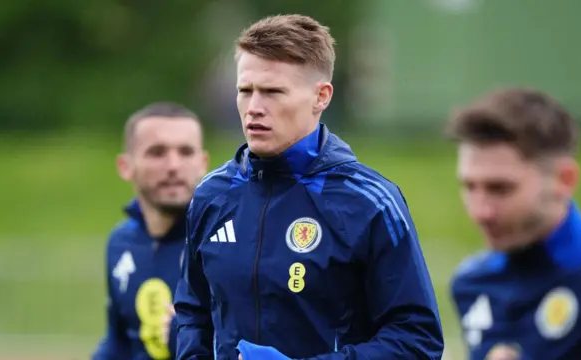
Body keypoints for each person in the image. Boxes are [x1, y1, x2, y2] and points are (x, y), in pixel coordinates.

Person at [173, 13, 444, 360]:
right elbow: (193, 311)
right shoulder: (213, 194)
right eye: (245, 91)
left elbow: (417, 340)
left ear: (321, 97)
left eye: (273, 92)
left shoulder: (369, 202)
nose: (254, 108)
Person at [446, 88, 581, 360]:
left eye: (500, 189)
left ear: (564, 180)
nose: (481, 212)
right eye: (470, 187)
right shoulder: (471, 284)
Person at [92, 102, 209, 360]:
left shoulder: (220, 245)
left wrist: (187, 337)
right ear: (125, 166)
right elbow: (119, 340)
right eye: (157, 152)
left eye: (186, 152)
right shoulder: (121, 242)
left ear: (203, 163)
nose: (173, 165)